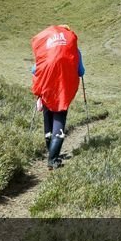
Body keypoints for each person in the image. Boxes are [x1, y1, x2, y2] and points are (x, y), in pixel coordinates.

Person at [30, 24, 85, 170]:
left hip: (47, 88)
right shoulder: (74, 50)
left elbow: (34, 69)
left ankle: (51, 151)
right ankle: (53, 159)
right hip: (62, 90)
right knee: (59, 119)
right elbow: (81, 71)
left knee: (47, 118)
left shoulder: (47, 47)